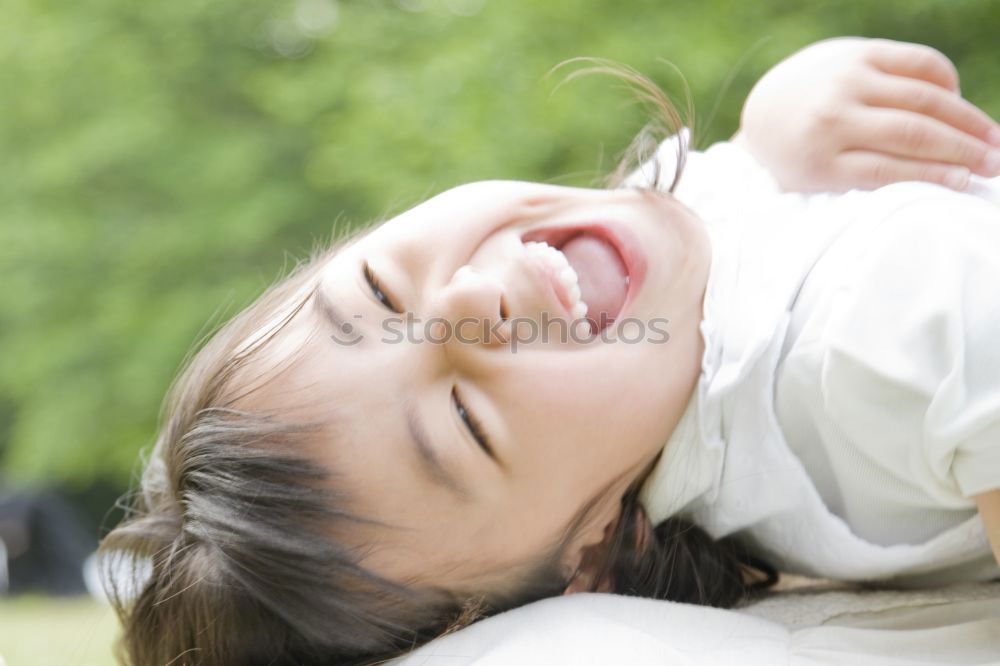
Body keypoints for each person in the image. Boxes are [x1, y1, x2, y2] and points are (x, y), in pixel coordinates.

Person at [99, 37, 1000, 666]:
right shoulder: (825, 358)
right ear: (595, 557)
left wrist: (777, 121)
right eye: (463, 419)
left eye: (378, 290)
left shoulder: (835, 323)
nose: (466, 303)